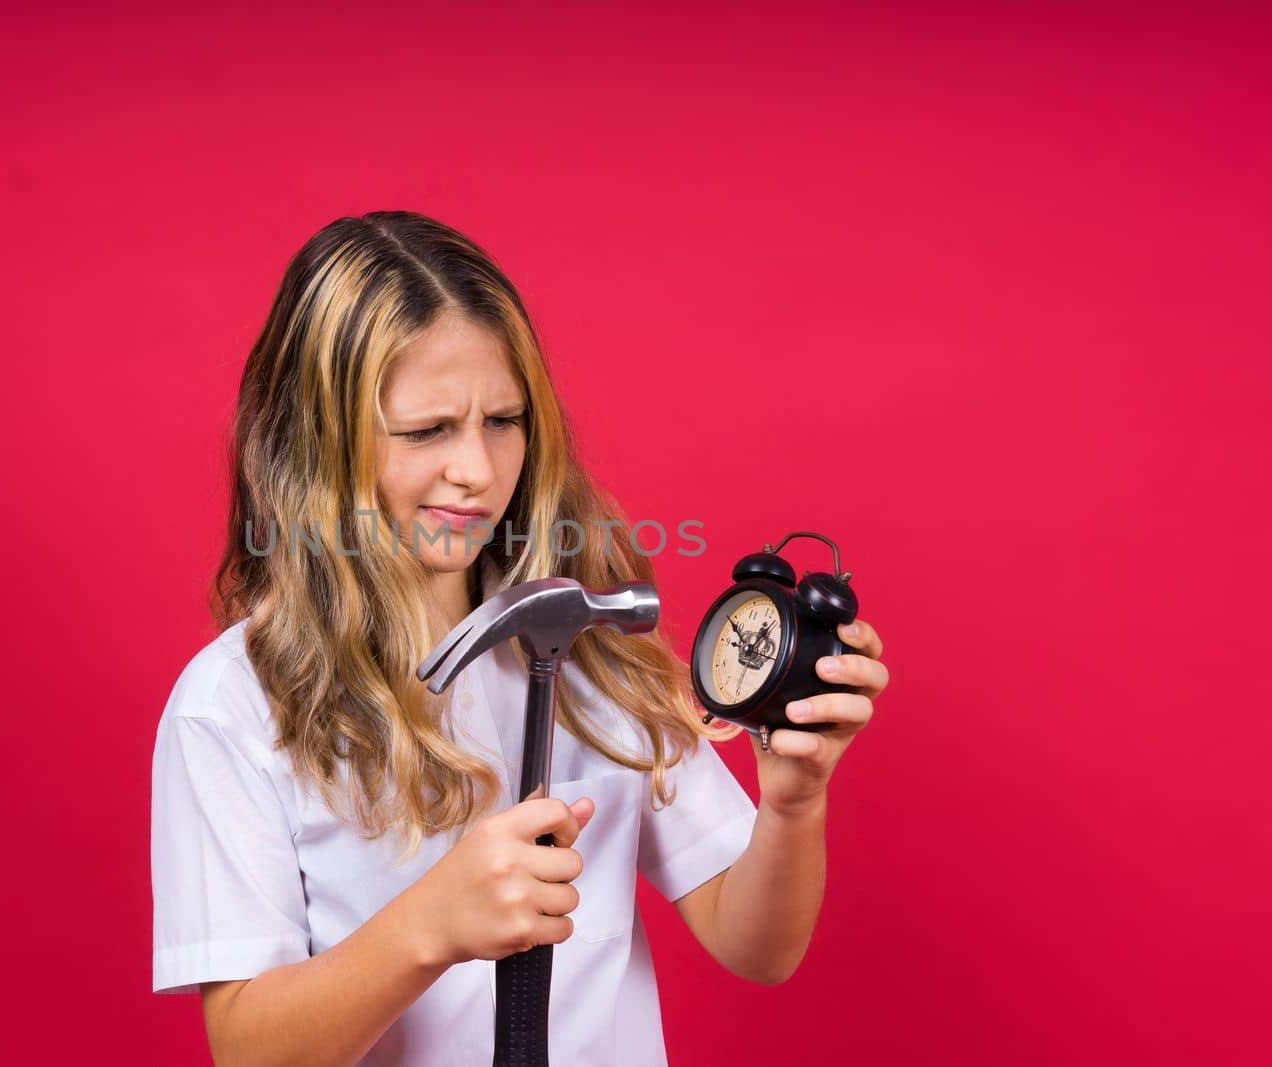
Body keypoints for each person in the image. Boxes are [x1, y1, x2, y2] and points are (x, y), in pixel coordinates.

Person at [150, 211, 889, 1067]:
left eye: (503, 420)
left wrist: (795, 798)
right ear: (318, 445)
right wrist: (431, 922)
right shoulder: (232, 707)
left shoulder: (588, 650)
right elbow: (250, 1051)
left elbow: (756, 945)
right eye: (427, 430)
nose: (476, 469)